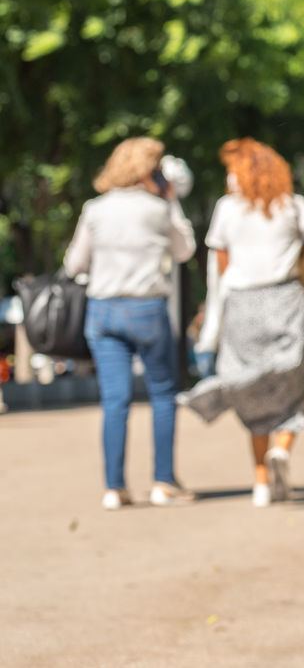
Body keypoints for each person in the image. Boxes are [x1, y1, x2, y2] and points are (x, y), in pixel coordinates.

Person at [179, 138, 304, 507]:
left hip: (242, 302)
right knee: (290, 381)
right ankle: (282, 451)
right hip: (284, 300)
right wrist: (302, 248)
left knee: (251, 387)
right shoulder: (292, 206)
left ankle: (259, 482)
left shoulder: (226, 209)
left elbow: (222, 264)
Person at [64, 137, 197, 510]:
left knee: (115, 401)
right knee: (162, 396)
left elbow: (74, 263)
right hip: (147, 310)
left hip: (103, 310)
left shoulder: (95, 208)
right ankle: (163, 482)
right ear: (149, 171)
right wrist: (172, 200)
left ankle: (114, 487)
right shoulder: (159, 208)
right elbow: (184, 251)